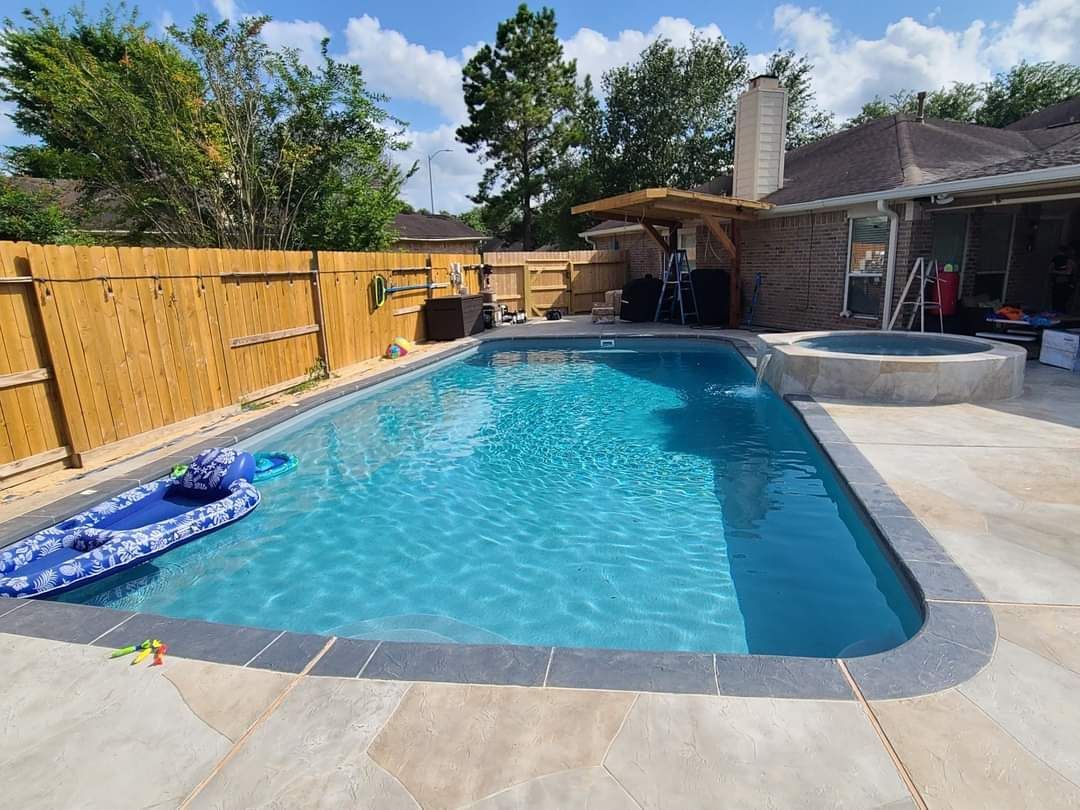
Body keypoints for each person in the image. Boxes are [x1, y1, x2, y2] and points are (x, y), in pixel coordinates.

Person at [1048, 244, 1078, 313]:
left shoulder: (1069, 260)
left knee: (1063, 302)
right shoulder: (1055, 260)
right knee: (1056, 301)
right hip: (1057, 283)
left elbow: (1069, 272)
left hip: (1066, 284)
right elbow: (1050, 270)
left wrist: (1056, 271)